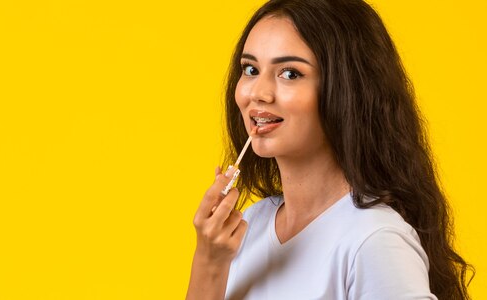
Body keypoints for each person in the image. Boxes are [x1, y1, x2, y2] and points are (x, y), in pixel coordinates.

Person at [185, 0, 474, 299]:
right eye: (251, 69)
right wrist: (208, 262)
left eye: (290, 73)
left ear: (346, 89)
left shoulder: (374, 241)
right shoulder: (249, 226)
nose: (258, 93)